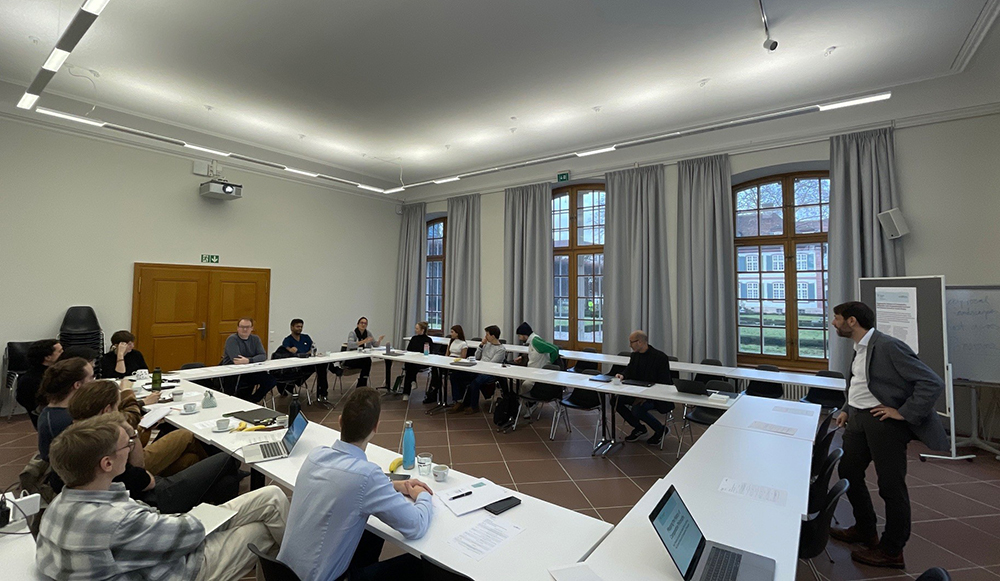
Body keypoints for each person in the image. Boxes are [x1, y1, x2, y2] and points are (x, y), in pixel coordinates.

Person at [36, 414, 289, 581]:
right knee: (262, 530)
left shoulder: (59, 504)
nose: (131, 448)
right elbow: (189, 534)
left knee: (271, 496)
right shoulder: (118, 520)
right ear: (107, 463)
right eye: (127, 445)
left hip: (155, 551)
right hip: (179, 569)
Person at [829, 301, 948, 569]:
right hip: (858, 419)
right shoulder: (860, 347)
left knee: (890, 486)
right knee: (848, 471)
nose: (833, 323)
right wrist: (847, 408)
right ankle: (865, 529)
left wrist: (903, 413)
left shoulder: (888, 346)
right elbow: (861, 382)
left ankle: (892, 550)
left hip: (883, 424)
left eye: (837, 318)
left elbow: (932, 382)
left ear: (851, 321)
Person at [278, 387, 433, 581]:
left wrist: (393, 485)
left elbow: (350, 484)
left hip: (283, 573)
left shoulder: (316, 455)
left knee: (371, 535)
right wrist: (422, 495)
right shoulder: (367, 476)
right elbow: (416, 525)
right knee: (421, 565)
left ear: (340, 421)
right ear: (375, 427)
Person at [69, 379, 208, 477]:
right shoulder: (105, 428)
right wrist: (134, 431)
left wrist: (140, 428)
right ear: (107, 410)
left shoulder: (80, 427)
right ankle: (215, 474)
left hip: (124, 467)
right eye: (117, 406)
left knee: (190, 460)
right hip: (131, 469)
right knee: (185, 435)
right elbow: (138, 465)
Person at [614, 330, 675, 446]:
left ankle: (661, 430)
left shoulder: (660, 357)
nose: (630, 345)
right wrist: (623, 375)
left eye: (631, 342)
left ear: (640, 342)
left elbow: (663, 382)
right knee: (616, 401)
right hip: (637, 392)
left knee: (637, 409)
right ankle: (639, 428)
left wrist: (646, 396)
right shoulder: (635, 355)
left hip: (656, 395)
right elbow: (629, 369)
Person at [37, 357, 94, 461]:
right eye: (91, 378)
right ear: (77, 385)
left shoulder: (57, 411)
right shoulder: (63, 421)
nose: (94, 382)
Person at [449, 325, 506, 415]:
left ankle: (474, 406)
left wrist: (480, 366)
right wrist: (481, 345)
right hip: (478, 369)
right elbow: (477, 356)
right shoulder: (486, 345)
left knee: (475, 383)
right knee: (455, 376)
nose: (485, 337)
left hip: (490, 372)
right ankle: (458, 400)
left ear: (493, 336)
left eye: (487, 335)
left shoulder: (501, 349)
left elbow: (491, 364)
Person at [221, 317, 276, 403]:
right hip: (234, 374)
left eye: (247, 327)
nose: (245, 329)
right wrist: (254, 359)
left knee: (270, 380)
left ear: (252, 328)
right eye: (242, 327)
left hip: (251, 370)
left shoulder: (255, 339)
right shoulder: (232, 339)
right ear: (237, 328)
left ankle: (253, 400)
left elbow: (263, 356)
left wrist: (249, 360)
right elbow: (237, 360)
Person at [513, 322, 561, 417]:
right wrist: (522, 358)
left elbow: (554, 349)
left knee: (526, 385)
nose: (519, 338)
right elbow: (535, 354)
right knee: (516, 380)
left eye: (519, 336)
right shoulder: (532, 341)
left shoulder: (536, 341)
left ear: (524, 335)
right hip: (532, 371)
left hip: (539, 373)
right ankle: (523, 403)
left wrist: (550, 364)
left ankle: (531, 404)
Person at [279, 318, 331, 403]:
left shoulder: (306, 337)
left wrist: (307, 354)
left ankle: (323, 392)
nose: (300, 328)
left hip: (308, 363)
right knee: (322, 367)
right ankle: (334, 372)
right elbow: (287, 352)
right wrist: (294, 352)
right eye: (297, 326)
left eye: (301, 327)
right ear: (292, 327)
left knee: (322, 365)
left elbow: (312, 348)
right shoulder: (287, 340)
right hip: (297, 367)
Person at [15, 338, 62, 428]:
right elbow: (24, 400)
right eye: (60, 351)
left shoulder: (55, 372)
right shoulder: (31, 379)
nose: (63, 353)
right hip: (47, 418)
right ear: (48, 357)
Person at [425, 325, 468, 404]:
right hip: (449, 361)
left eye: (452, 332)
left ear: (457, 333)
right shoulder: (451, 342)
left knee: (454, 376)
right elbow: (447, 354)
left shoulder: (463, 344)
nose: (451, 334)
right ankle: (433, 391)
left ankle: (456, 398)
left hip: (456, 363)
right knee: (435, 369)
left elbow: (463, 357)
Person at [342, 317, 390, 388]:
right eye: (362, 323)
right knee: (367, 362)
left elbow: (374, 344)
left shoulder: (368, 333)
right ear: (358, 324)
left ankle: (362, 382)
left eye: (365, 323)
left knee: (367, 361)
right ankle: (362, 383)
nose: (363, 325)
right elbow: (350, 345)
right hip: (351, 359)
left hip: (362, 357)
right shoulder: (353, 333)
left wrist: (379, 340)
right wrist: (364, 341)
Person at [398, 321, 434, 401]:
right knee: (409, 366)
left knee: (410, 369)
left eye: (417, 329)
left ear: (422, 330)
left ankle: (407, 390)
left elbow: (430, 353)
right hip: (413, 361)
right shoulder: (414, 338)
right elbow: (409, 350)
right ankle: (412, 382)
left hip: (423, 361)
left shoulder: (428, 340)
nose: (415, 330)